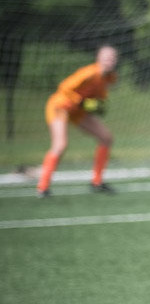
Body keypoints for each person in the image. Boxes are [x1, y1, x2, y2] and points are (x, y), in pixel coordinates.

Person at [37, 45, 118, 197]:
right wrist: (81, 101)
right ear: (98, 58)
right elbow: (64, 87)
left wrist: (98, 105)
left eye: (113, 58)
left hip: (77, 111)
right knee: (60, 144)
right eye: (107, 57)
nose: (110, 61)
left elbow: (99, 95)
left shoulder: (110, 77)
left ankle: (97, 181)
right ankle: (43, 187)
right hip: (60, 106)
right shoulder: (89, 73)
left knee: (106, 138)